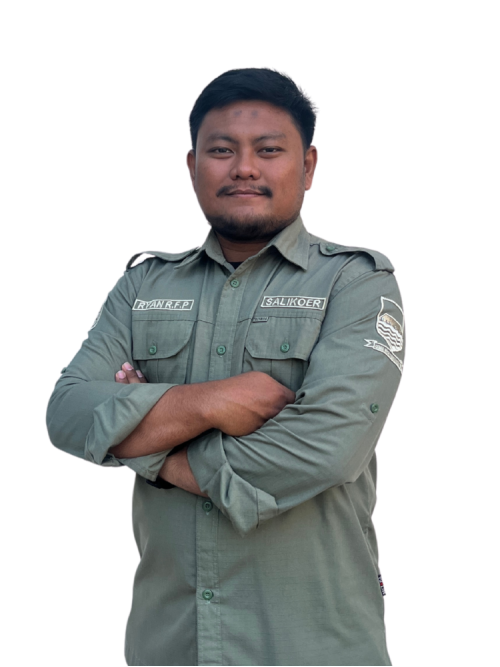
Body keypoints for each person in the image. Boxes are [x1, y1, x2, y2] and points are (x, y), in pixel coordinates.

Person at [45, 66, 405, 666]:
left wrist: (149, 451)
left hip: (315, 648)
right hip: (170, 645)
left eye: (268, 150)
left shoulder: (356, 282)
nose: (243, 168)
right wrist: (210, 402)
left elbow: (326, 447)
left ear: (309, 166)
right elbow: (66, 413)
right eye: (221, 150)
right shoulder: (142, 285)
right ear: (191, 167)